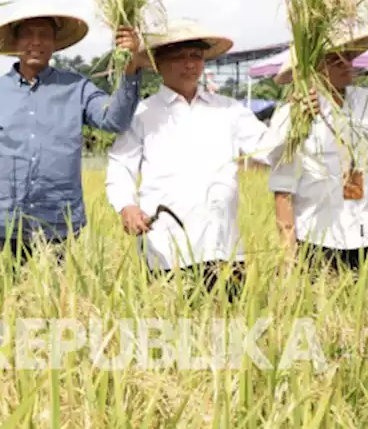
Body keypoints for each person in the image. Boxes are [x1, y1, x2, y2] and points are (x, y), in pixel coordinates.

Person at [0, 7, 146, 261]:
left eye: (44, 35)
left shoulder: (76, 87)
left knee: (58, 299)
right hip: (0, 226)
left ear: (55, 43)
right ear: (15, 42)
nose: (36, 42)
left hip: (58, 226)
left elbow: (114, 119)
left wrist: (130, 68)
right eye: (28, 35)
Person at [106, 20, 272, 299]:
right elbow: (120, 165)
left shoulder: (228, 110)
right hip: (166, 247)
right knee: (172, 331)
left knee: (228, 331)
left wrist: (299, 116)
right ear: (158, 63)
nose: (189, 64)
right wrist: (127, 207)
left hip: (222, 245)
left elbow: (269, 148)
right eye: (179, 57)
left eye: (196, 56)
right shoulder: (143, 114)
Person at [264, 30, 368, 275]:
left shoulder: (364, 101)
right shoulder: (294, 114)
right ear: (312, 67)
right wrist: (289, 255)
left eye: (348, 57)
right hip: (317, 240)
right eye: (334, 59)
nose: (346, 65)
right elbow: (282, 188)